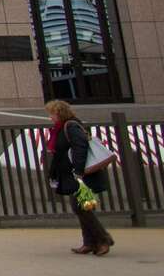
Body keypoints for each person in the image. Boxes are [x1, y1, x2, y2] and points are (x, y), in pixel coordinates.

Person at [43, 98, 116, 257]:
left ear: (59, 113)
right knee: (81, 207)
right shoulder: (63, 127)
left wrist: (78, 170)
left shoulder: (70, 126)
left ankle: (102, 239)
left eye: (52, 114)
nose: (50, 117)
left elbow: (80, 147)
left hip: (81, 175)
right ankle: (89, 242)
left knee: (81, 207)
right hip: (75, 174)